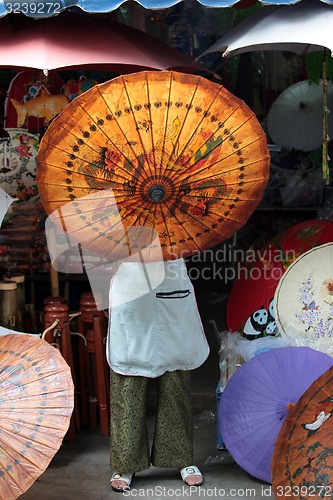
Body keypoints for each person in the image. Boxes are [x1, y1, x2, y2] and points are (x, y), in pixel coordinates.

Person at [106, 257, 210, 492]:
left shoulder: (179, 224)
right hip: (131, 285)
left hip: (171, 284)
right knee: (128, 378)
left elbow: (193, 244)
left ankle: (181, 458)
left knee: (175, 377)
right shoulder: (119, 220)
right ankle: (126, 463)